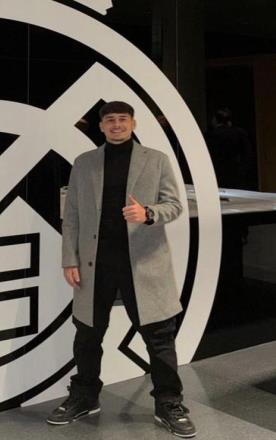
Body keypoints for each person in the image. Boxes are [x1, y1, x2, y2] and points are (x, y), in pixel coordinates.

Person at [47, 101, 196, 438]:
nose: (117, 125)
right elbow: (71, 216)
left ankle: (169, 403)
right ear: (101, 126)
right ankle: (85, 396)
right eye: (110, 120)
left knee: (159, 337)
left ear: (133, 123)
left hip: (143, 264)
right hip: (94, 265)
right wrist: (69, 259)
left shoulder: (156, 159)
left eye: (123, 119)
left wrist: (148, 213)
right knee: (88, 335)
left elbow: (175, 205)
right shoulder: (84, 163)